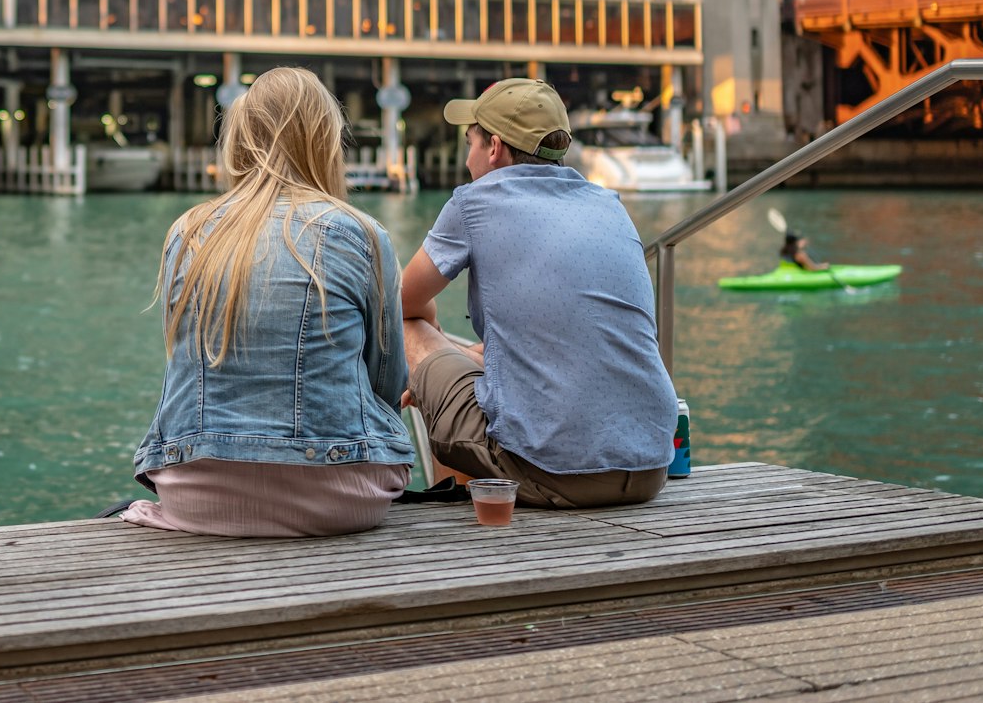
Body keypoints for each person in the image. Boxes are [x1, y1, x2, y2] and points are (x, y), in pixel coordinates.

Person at [123, 66, 413, 537]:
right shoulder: (359, 233)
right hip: (340, 494)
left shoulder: (188, 232)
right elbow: (387, 383)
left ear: (239, 137)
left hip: (196, 492)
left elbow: (182, 362)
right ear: (326, 141)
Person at [399, 78, 677, 509]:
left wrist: (431, 342)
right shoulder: (608, 204)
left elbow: (401, 303)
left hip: (553, 474)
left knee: (411, 332)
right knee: (468, 363)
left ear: (494, 147)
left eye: (469, 141)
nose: (467, 156)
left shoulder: (473, 202)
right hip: (649, 470)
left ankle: (464, 508)